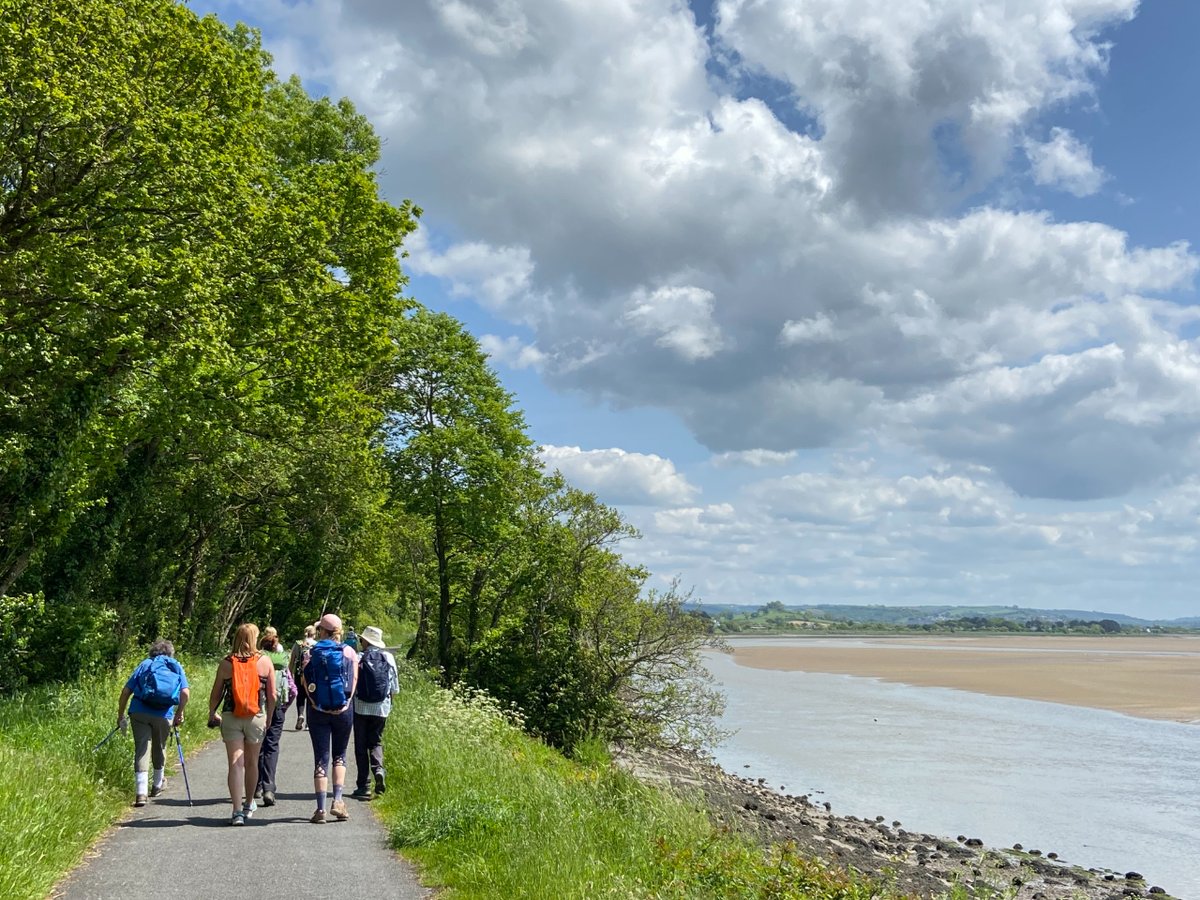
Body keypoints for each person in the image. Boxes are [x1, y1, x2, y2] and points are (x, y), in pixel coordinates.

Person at [208, 623, 276, 825]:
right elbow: (272, 695)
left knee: (235, 763)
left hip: (231, 716)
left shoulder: (226, 663)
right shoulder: (264, 661)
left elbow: (216, 694)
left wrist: (212, 712)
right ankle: (248, 804)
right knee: (252, 761)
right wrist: (269, 716)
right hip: (256, 716)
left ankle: (236, 811)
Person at [117, 640, 189, 807]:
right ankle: (157, 785)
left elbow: (126, 691)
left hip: (139, 712)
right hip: (164, 714)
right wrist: (179, 712)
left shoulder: (145, 664)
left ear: (152, 652)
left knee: (142, 748)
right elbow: (185, 692)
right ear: (171, 653)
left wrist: (120, 714)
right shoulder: (175, 666)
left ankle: (141, 793)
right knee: (160, 747)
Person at [301, 612, 358, 824]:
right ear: (339, 632)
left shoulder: (310, 652)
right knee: (340, 754)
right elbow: (353, 683)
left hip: (318, 711)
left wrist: (315, 703)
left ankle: (320, 810)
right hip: (343, 711)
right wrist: (345, 703)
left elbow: (305, 682)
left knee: (320, 757)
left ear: (321, 631)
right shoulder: (349, 652)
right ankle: (338, 801)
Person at [350, 625, 398, 801]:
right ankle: (378, 769)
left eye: (361, 639)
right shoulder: (388, 657)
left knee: (360, 745)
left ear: (366, 641)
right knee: (376, 741)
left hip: (360, 706)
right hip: (381, 707)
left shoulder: (358, 657)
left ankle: (364, 785)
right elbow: (395, 687)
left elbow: (352, 683)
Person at [255, 626, 295, 806]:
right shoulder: (282, 665)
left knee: (257, 746)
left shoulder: (257, 661)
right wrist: (284, 707)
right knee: (272, 745)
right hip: (277, 707)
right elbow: (293, 690)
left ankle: (256, 785)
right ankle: (269, 788)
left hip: (257, 709)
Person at [289, 624, 316, 731]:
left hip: (299, 674)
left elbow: (292, 660)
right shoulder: (316, 645)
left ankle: (300, 715)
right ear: (314, 634)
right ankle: (309, 723)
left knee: (300, 697)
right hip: (311, 676)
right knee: (310, 697)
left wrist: (290, 674)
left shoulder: (298, 644)